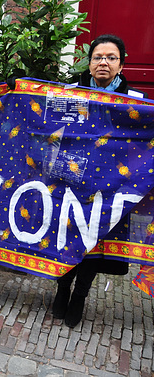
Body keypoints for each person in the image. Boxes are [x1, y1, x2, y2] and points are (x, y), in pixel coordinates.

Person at [52, 34, 146, 327]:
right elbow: (48, 124)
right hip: (72, 180)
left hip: (111, 187)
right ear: (89, 63)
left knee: (95, 243)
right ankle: (62, 289)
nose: (103, 62)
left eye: (111, 57)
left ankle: (80, 295)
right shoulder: (72, 94)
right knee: (67, 238)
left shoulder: (138, 104)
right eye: (97, 57)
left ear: (121, 64)